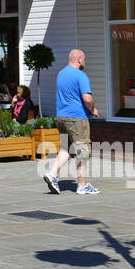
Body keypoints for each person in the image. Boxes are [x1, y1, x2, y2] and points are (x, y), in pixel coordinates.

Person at [45, 49, 99, 195]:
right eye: (84, 59)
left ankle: (52, 174)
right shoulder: (80, 75)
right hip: (77, 118)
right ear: (80, 59)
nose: (84, 62)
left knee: (66, 149)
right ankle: (82, 185)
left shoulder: (61, 74)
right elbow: (87, 98)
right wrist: (93, 109)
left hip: (61, 118)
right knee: (82, 151)